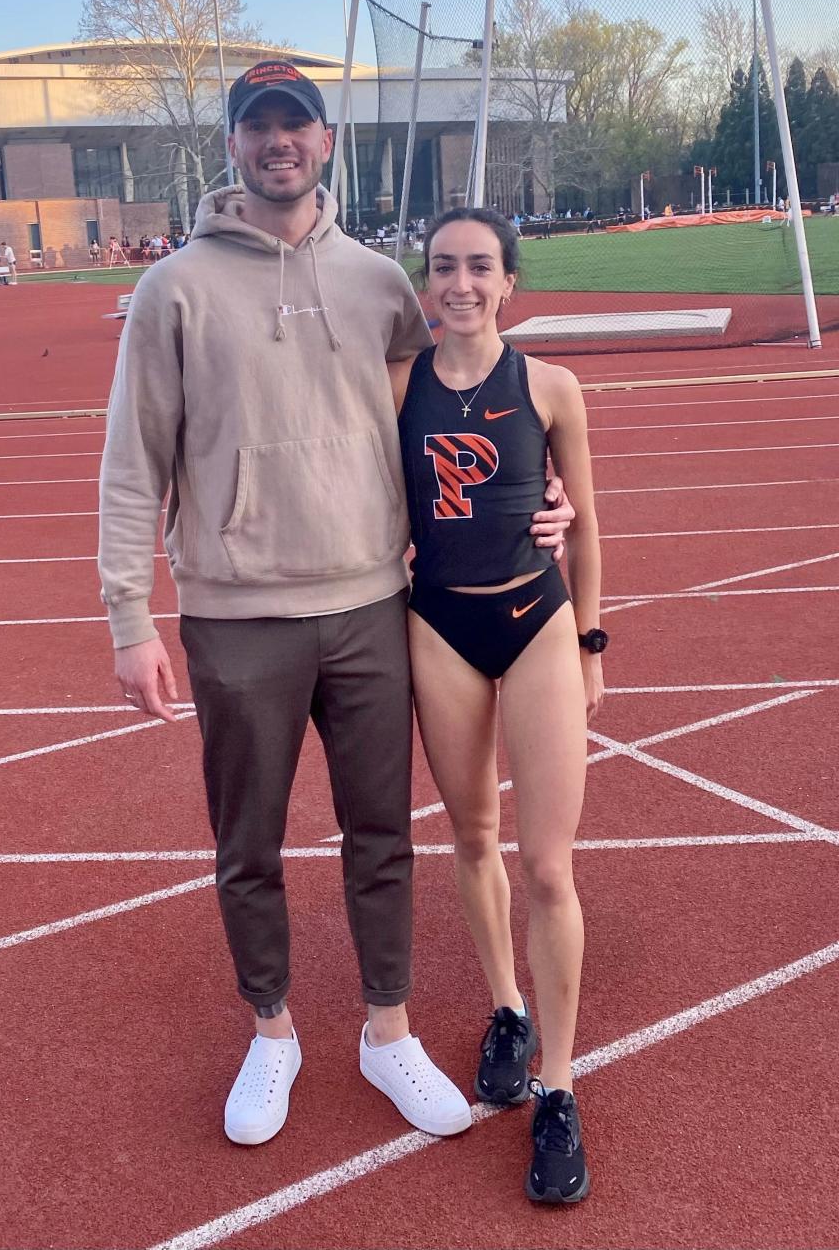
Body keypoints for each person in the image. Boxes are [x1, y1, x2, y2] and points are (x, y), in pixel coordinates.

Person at [98, 59, 574, 1151]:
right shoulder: (172, 290)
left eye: (296, 126)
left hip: (371, 604)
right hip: (235, 615)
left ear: (323, 144)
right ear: (234, 145)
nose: (278, 142)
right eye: (258, 126)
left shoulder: (377, 284)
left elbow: (457, 402)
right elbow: (133, 465)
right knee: (248, 846)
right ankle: (272, 1031)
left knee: (381, 837)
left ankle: (386, 1029)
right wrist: (131, 618)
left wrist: (540, 491)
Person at [391, 206, 602, 1204]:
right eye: (444, 267)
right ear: (424, 283)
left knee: (547, 863)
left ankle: (558, 1085)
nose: (461, 283)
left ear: (510, 281)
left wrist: (593, 641)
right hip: (439, 626)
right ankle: (507, 1011)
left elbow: (586, 521)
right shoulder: (399, 385)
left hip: (535, 625)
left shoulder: (552, 385)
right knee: (472, 838)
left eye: (480, 266)